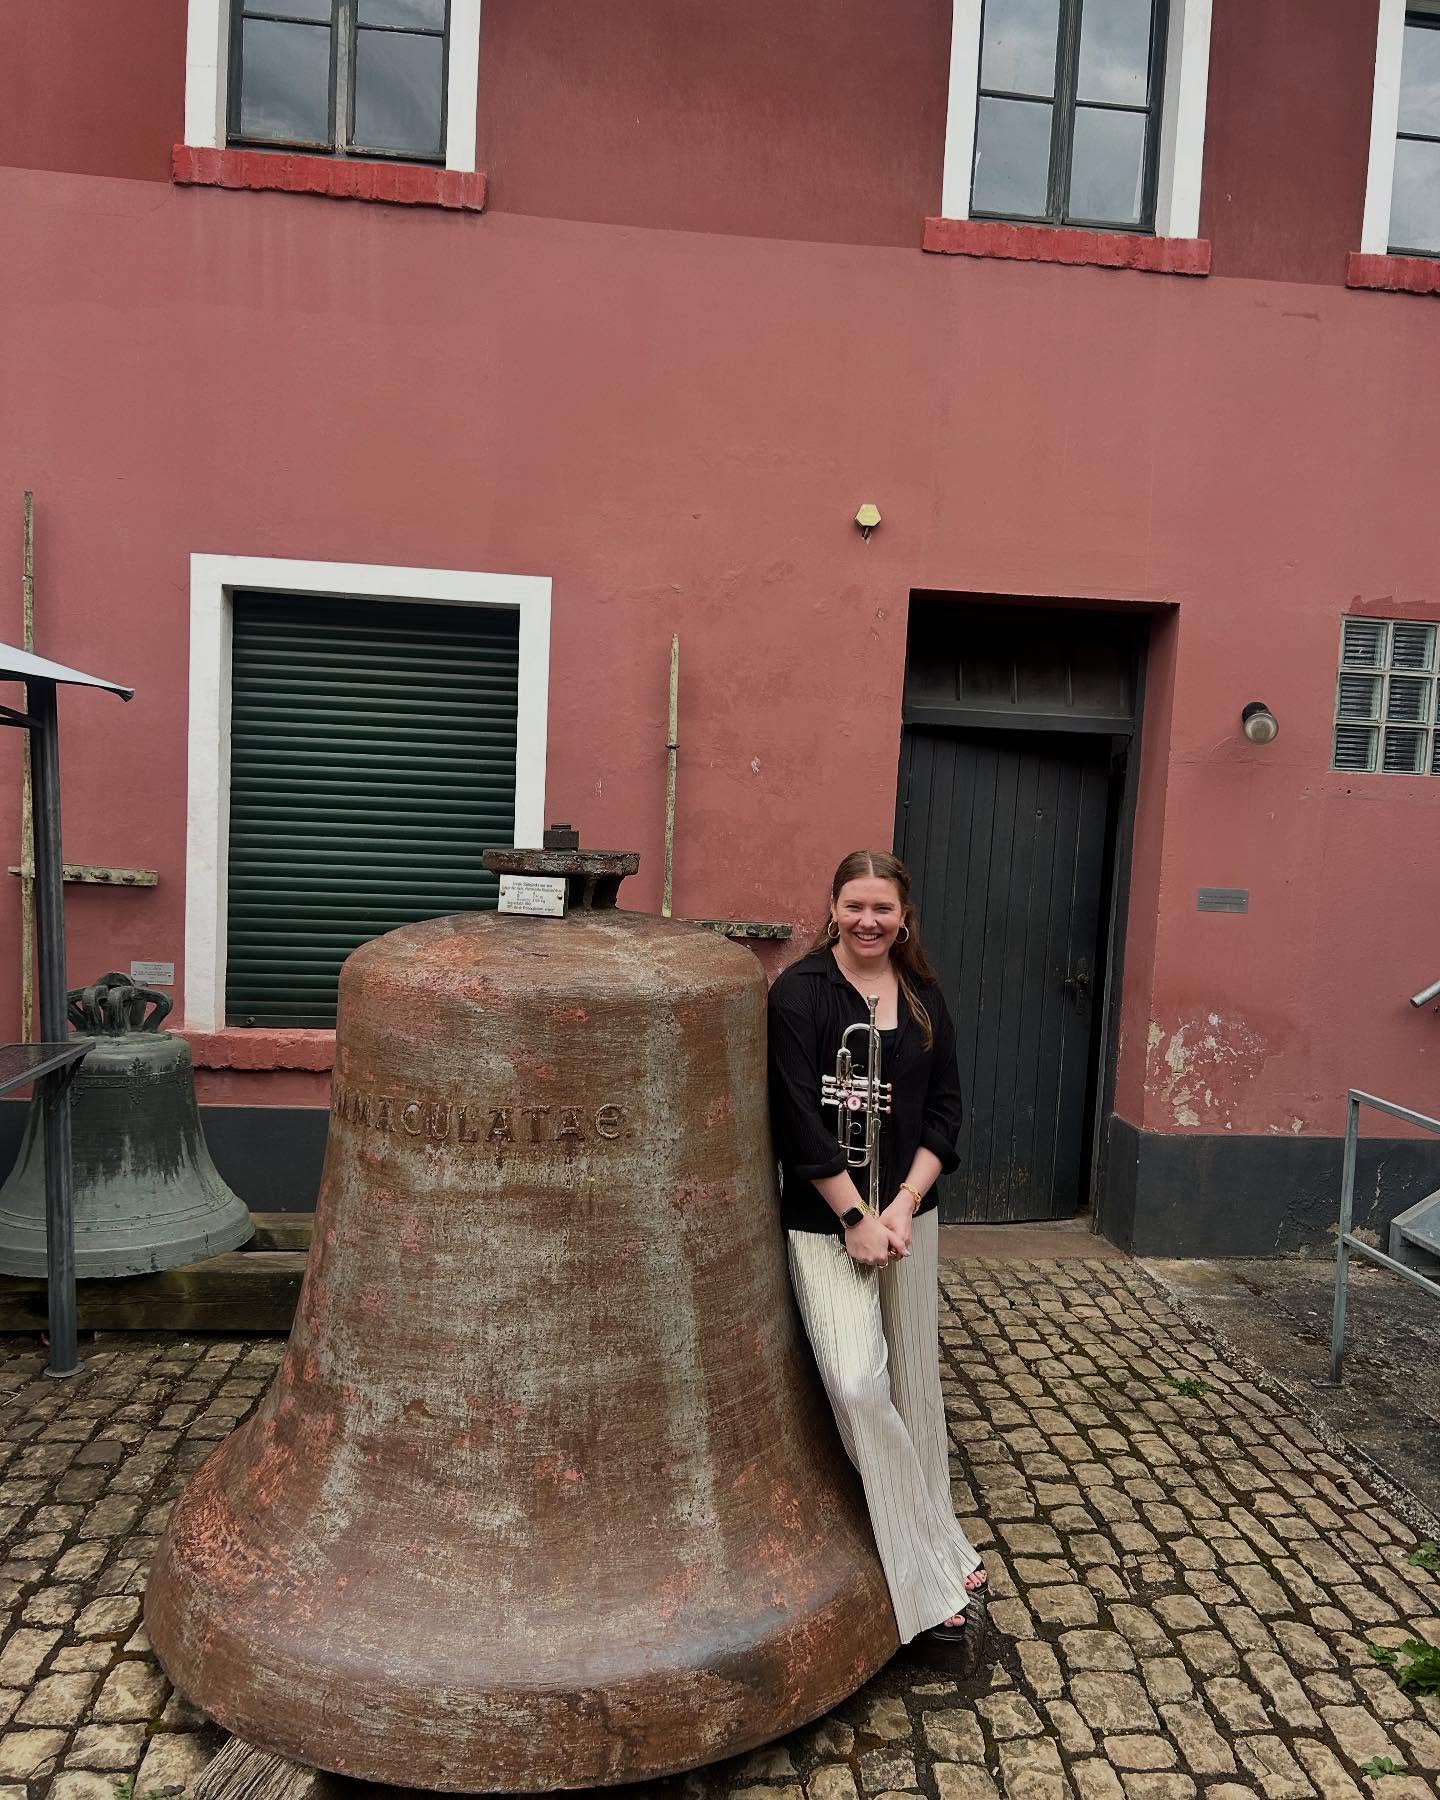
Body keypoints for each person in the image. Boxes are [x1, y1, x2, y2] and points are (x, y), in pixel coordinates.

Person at [767, 849, 987, 1660]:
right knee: (859, 1385)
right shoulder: (798, 993)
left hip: (907, 1217)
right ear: (831, 907)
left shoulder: (922, 995)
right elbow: (796, 1120)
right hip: (824, 1220)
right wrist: (855, 1214)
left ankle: (942, 1541)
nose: (868, 921)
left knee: (915, 1388)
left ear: (904, 916)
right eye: (854, 906)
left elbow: (946, 1113)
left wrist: (898, 1206)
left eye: (883, 909)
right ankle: (926, 1579)